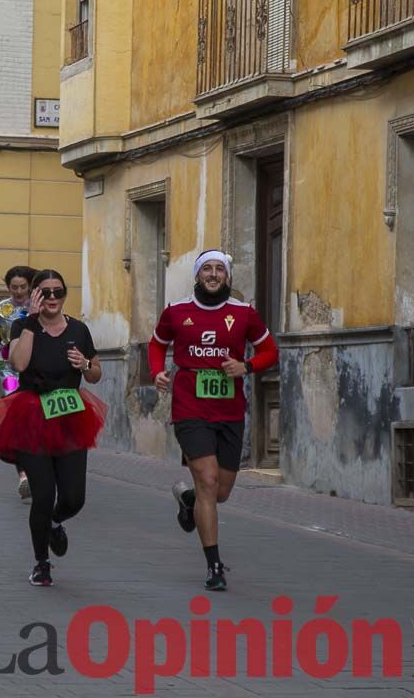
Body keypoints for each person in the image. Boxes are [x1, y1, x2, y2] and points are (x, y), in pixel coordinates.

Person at [148, 250, 279, 591]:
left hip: (230, 411)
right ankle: (214, 567)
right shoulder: (176, 312)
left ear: (228, 277)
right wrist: (157, 372)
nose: (213, 274)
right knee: (207, 479)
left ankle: (188, 500)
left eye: (220, 269)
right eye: (207, 268)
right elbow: (156, 344)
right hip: (190, 407)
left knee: (220, 491)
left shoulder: (244, 314)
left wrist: (246, 366)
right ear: (197, 275)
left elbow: (270, 352)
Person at [0, 269, 106, 587]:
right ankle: (41, 563)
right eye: (45, 292)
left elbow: (95, 374)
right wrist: (33, 321)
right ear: (35, 295)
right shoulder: (24, 325)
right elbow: (19, 364)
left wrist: (85, 365)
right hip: (33, 415)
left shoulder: (79, 329)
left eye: (57, 292)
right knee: (43, 494)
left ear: (65, 295)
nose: (51, 298)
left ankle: (53, 521)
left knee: (74, 498)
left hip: (70, 417)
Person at [0, 265, 37, 500]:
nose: (19, 291)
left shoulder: (41, 305)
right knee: (17, 421)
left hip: (34, 367)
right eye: (14, 287)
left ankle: (38, 468)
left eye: (23, 287)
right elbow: (1, 336)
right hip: (8, 370)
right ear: (8, 288)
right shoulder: (2, 309)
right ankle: (23, 475)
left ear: (30, 286)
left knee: (34, 420)